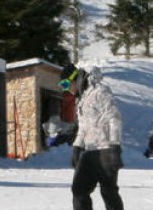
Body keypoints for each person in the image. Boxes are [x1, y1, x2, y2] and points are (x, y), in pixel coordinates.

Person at [61, 63, 124, 210]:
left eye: (65, 84)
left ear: (75, 79)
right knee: (78, 190)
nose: (66, 89)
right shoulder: (82, 100)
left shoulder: (100, 92)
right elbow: (83, 127)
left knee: (108, 191)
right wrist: (77, 147)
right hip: (90, 151)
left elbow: (114, 118)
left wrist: (115, 146)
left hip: (106, 150)